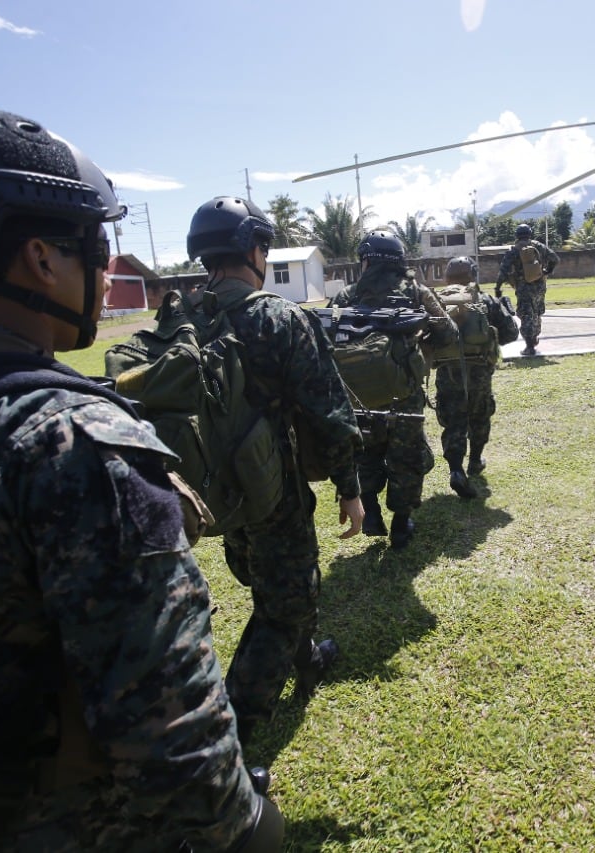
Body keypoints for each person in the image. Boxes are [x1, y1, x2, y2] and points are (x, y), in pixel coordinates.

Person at [0, 106, 280, 850]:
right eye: (95, 245)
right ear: (40, 258)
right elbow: (173, 740)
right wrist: (245, 823)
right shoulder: (75, 439)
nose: (102, 268)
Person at [185, 196, 364, 745]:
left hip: (215, 486)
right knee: (285, 606)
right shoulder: (279, 317)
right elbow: (330, 412)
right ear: (253, 248)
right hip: (273, 487)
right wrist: (350, 489)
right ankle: (230, 740)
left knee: (267, 574)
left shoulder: (185, 316)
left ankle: (306, 658)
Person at [328, 229, 457, 549]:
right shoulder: (416, 291)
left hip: (358, 396)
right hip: (405, 395)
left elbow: (324, 337)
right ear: (399, 260)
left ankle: (371, 513)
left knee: (366, 453)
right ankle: (401, 524)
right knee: (407, 457)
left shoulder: (346, 295)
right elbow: (449, 334)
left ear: (366, 261)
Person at [434, 256, 509, 499]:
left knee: (454, 421)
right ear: (473, 274)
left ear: (447, 276)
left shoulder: (437, 301)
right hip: (479, 373)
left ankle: (456, 470)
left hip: (448, 372)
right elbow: (510, 332)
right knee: (480, 415)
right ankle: (475, 461)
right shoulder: (484, 300)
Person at [495, 223, 559, 356]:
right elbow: (555, 259)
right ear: (530, 234)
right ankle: (534, 337)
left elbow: (503, 270)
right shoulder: (539, 246)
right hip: (540, 286)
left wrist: (498, 286)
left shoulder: (514, 250)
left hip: (524, 288)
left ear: (517, 236)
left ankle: (530, 347)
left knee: (526, 315)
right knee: (537, 312)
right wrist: (548, 271)